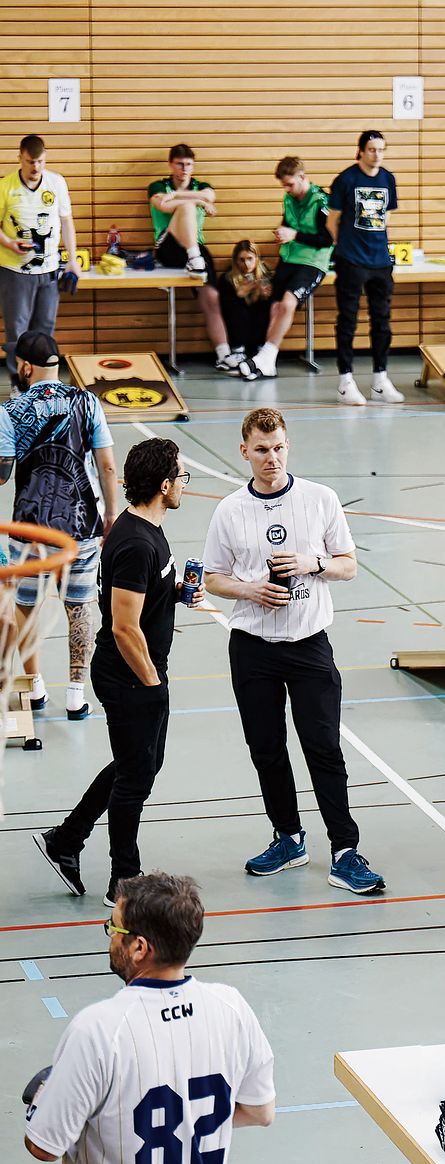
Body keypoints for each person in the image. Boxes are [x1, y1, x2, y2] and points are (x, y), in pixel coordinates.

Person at [202, 408, 384, 895]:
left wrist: (313, 562)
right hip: (253, 648)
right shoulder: (229, 510)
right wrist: (251, 591)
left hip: (309, 647)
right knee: (266, 749)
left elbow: (348, 565)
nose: (272, 457)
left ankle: (345, 850)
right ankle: (288, 837)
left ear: (289, 446)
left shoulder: (320, 499)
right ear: (244, 451)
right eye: (261, 449)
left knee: (323, 746)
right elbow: (213, 577)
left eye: (279, 447)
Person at [23, 874, 276, 1164]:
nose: (111, 936)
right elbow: (261, 1111)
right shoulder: (231, 1007)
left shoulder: (98, 1029)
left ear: (139, 947)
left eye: (114, 928)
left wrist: (44, 1098)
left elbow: (43, 1147)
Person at [32, 439, 191, 902]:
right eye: (181, 477)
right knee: (137, 776)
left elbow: (141, 598)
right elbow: (124, 628)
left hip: (139, 670)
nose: (183, 485)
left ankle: (67, 838)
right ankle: (124, 880)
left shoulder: (145, 528)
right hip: (129, 674)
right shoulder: (137, 542)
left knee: (137, 765)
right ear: (163, 486)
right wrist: (152, 683)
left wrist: (176, 592)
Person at [1, 330, 118, 720]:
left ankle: (34, 689)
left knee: (27, 607)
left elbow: (2, 474)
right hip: (81, 523)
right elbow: (106, 465)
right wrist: (111, 514)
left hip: (29, 529)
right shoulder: (87, 402)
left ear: (24, 366)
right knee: (79, 607)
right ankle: (75, 693)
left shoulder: (11, 410)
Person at [148, 143, 243, 373]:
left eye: (189, 164)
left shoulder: (202, 185)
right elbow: (163, 204)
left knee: (211, 297)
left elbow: (210, 195)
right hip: (169, 246)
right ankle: (194, 258)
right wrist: (197, 201)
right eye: (180, 164)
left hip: (198, 247)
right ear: (171, 165)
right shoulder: (158, 186)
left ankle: (223, 354)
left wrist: (181, 195)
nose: (184, 169)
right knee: (188, 208)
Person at [326, 130, 402, 406]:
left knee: (381, 320)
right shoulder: (346, 179)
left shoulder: (388, 179)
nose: (377, 155)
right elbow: (332, 221)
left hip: (380, 261)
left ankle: (380, 380)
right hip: (351, 260)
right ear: (360, 151)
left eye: (381, 149)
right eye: (372, 149)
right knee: (348, 320)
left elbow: (387, 216)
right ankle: (345, 381)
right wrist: (344, 247)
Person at [243, 156, 333, 381]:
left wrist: (294, 235)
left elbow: (327, 239)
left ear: (303, 177)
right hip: (290, 258)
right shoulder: (289, 198)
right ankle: (268, 365)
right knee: (273, 307)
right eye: (283, 185)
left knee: (288, 302)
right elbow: (288, 223)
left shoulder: (322, 201)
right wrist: (282, 233)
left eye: (290, 184)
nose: (287, 189)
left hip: (312, 262)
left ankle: (265, 355)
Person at [0, 135, 77, 361]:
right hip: (15, 271)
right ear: (20, 159)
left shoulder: (57, 182)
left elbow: (66, 221)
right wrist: (9, 243)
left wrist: (72, 261)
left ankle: (40, 383)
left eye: (40, 162)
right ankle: (19, 384)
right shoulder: (5, 186)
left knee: (44, 331)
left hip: (50, 270)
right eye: (30, 162)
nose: (36, 167)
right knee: (18, 332)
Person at [214, 241, 273, 363]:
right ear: (235, 261)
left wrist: (264, 296)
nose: (246, 264)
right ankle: (238, 349)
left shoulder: (266, 276)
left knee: (266, 306)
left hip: (258, 331)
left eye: (250, 259)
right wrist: (239, 295)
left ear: (257, 259)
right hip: (237, 332)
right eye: (242, 260)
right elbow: (223, 308)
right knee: (236, 307)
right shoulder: (227, 279)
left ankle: (262, 348)